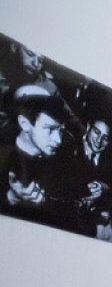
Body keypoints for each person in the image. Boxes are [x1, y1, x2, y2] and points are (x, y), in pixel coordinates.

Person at [0, 86, 82, 233]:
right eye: (50, 129)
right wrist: (9, 199)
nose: (58, 140)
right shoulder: (3, 158)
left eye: (61, 131)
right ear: (24, 124)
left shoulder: (63, 162)